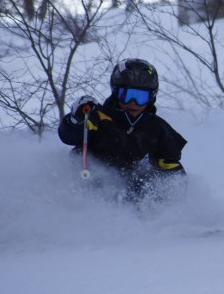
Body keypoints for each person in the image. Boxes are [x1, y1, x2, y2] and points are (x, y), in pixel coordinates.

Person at [59, 58, 187, 200]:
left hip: (135, 197)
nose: (133, 102)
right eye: (126, 95)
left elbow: (171, 167)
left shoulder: (157, 128)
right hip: (89, 189)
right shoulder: (98, 117)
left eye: (141, 97)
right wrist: (75, 119)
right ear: (115, 92)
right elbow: (68, 136)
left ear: (151, 97)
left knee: (147, 175)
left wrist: (174, 192)